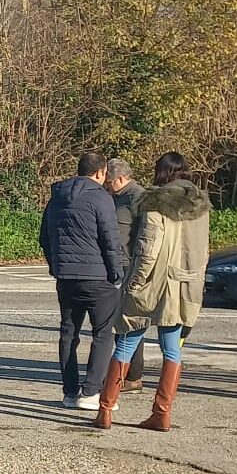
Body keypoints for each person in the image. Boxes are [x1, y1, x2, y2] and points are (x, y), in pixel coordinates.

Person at [93, 152, 211, 431]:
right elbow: (204, 250)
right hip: (185, 284)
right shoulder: (200, 207)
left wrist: (134, 284)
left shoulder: (155, 203)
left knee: (126, 341)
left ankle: (106, 410)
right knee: (172, 350)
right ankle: (162, 413)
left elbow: (147, 249)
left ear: (161, 172)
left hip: (154, 283)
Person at [40, 152, 124, 410]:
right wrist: (116, 273)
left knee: (68, 333)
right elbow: (110, 240)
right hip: (98, 277)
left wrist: (56, 266)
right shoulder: (102, 198)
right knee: (102, 333)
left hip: (66, 277)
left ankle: (70, 391)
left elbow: (44, 237)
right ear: (100, 173)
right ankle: (90, 392)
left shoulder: (56, 198)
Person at [106, 158, 147, 392]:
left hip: (128, 265)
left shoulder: (136, 197)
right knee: (118, 321)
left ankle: (132, 375)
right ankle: (125, 372)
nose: (107, 187)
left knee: (129, 322)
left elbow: (144, 233)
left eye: (109, 182)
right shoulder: (116, 196)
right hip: (116, 264)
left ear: (120, 178)